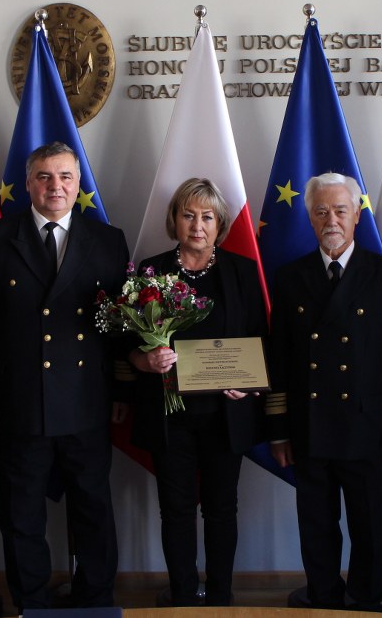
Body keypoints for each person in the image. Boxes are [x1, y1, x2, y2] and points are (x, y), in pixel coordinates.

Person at [0, 141, 129, 609]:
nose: (56, 186)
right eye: (45, 177)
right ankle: (30, 602)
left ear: (79, 184)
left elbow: (119, 328)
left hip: (87, 401)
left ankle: (95, 599)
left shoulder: (108, 240)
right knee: (21, 513)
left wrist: (121, 390)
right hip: (18, 402)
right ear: (29, 183)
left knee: (93, 507)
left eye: (66, 177)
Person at [266, 172, 382, 611]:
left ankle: (368, 602)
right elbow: (279, 359)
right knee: (316, 525)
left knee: (371, 526)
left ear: (357, 215)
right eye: (321, 211)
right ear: (310, 219)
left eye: (340, 210)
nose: (331, 219)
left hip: (368, 428)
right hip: (309, 427)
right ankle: (324, 599)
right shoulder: (289, 277)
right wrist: (278, 429)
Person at [129, 177, 266, 606]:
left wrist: (247, 381)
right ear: (174, 220)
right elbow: (126, 349)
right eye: (188, 215)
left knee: (222, 509)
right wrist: (146, 361)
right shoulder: (149, 272)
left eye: (207, 216)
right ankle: (184, 596)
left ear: (220, 223)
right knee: (177, 509)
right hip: (172, 418)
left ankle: (221, 597)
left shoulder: (242, 271)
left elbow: (261, 340)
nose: (197, 225)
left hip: (226, 417)